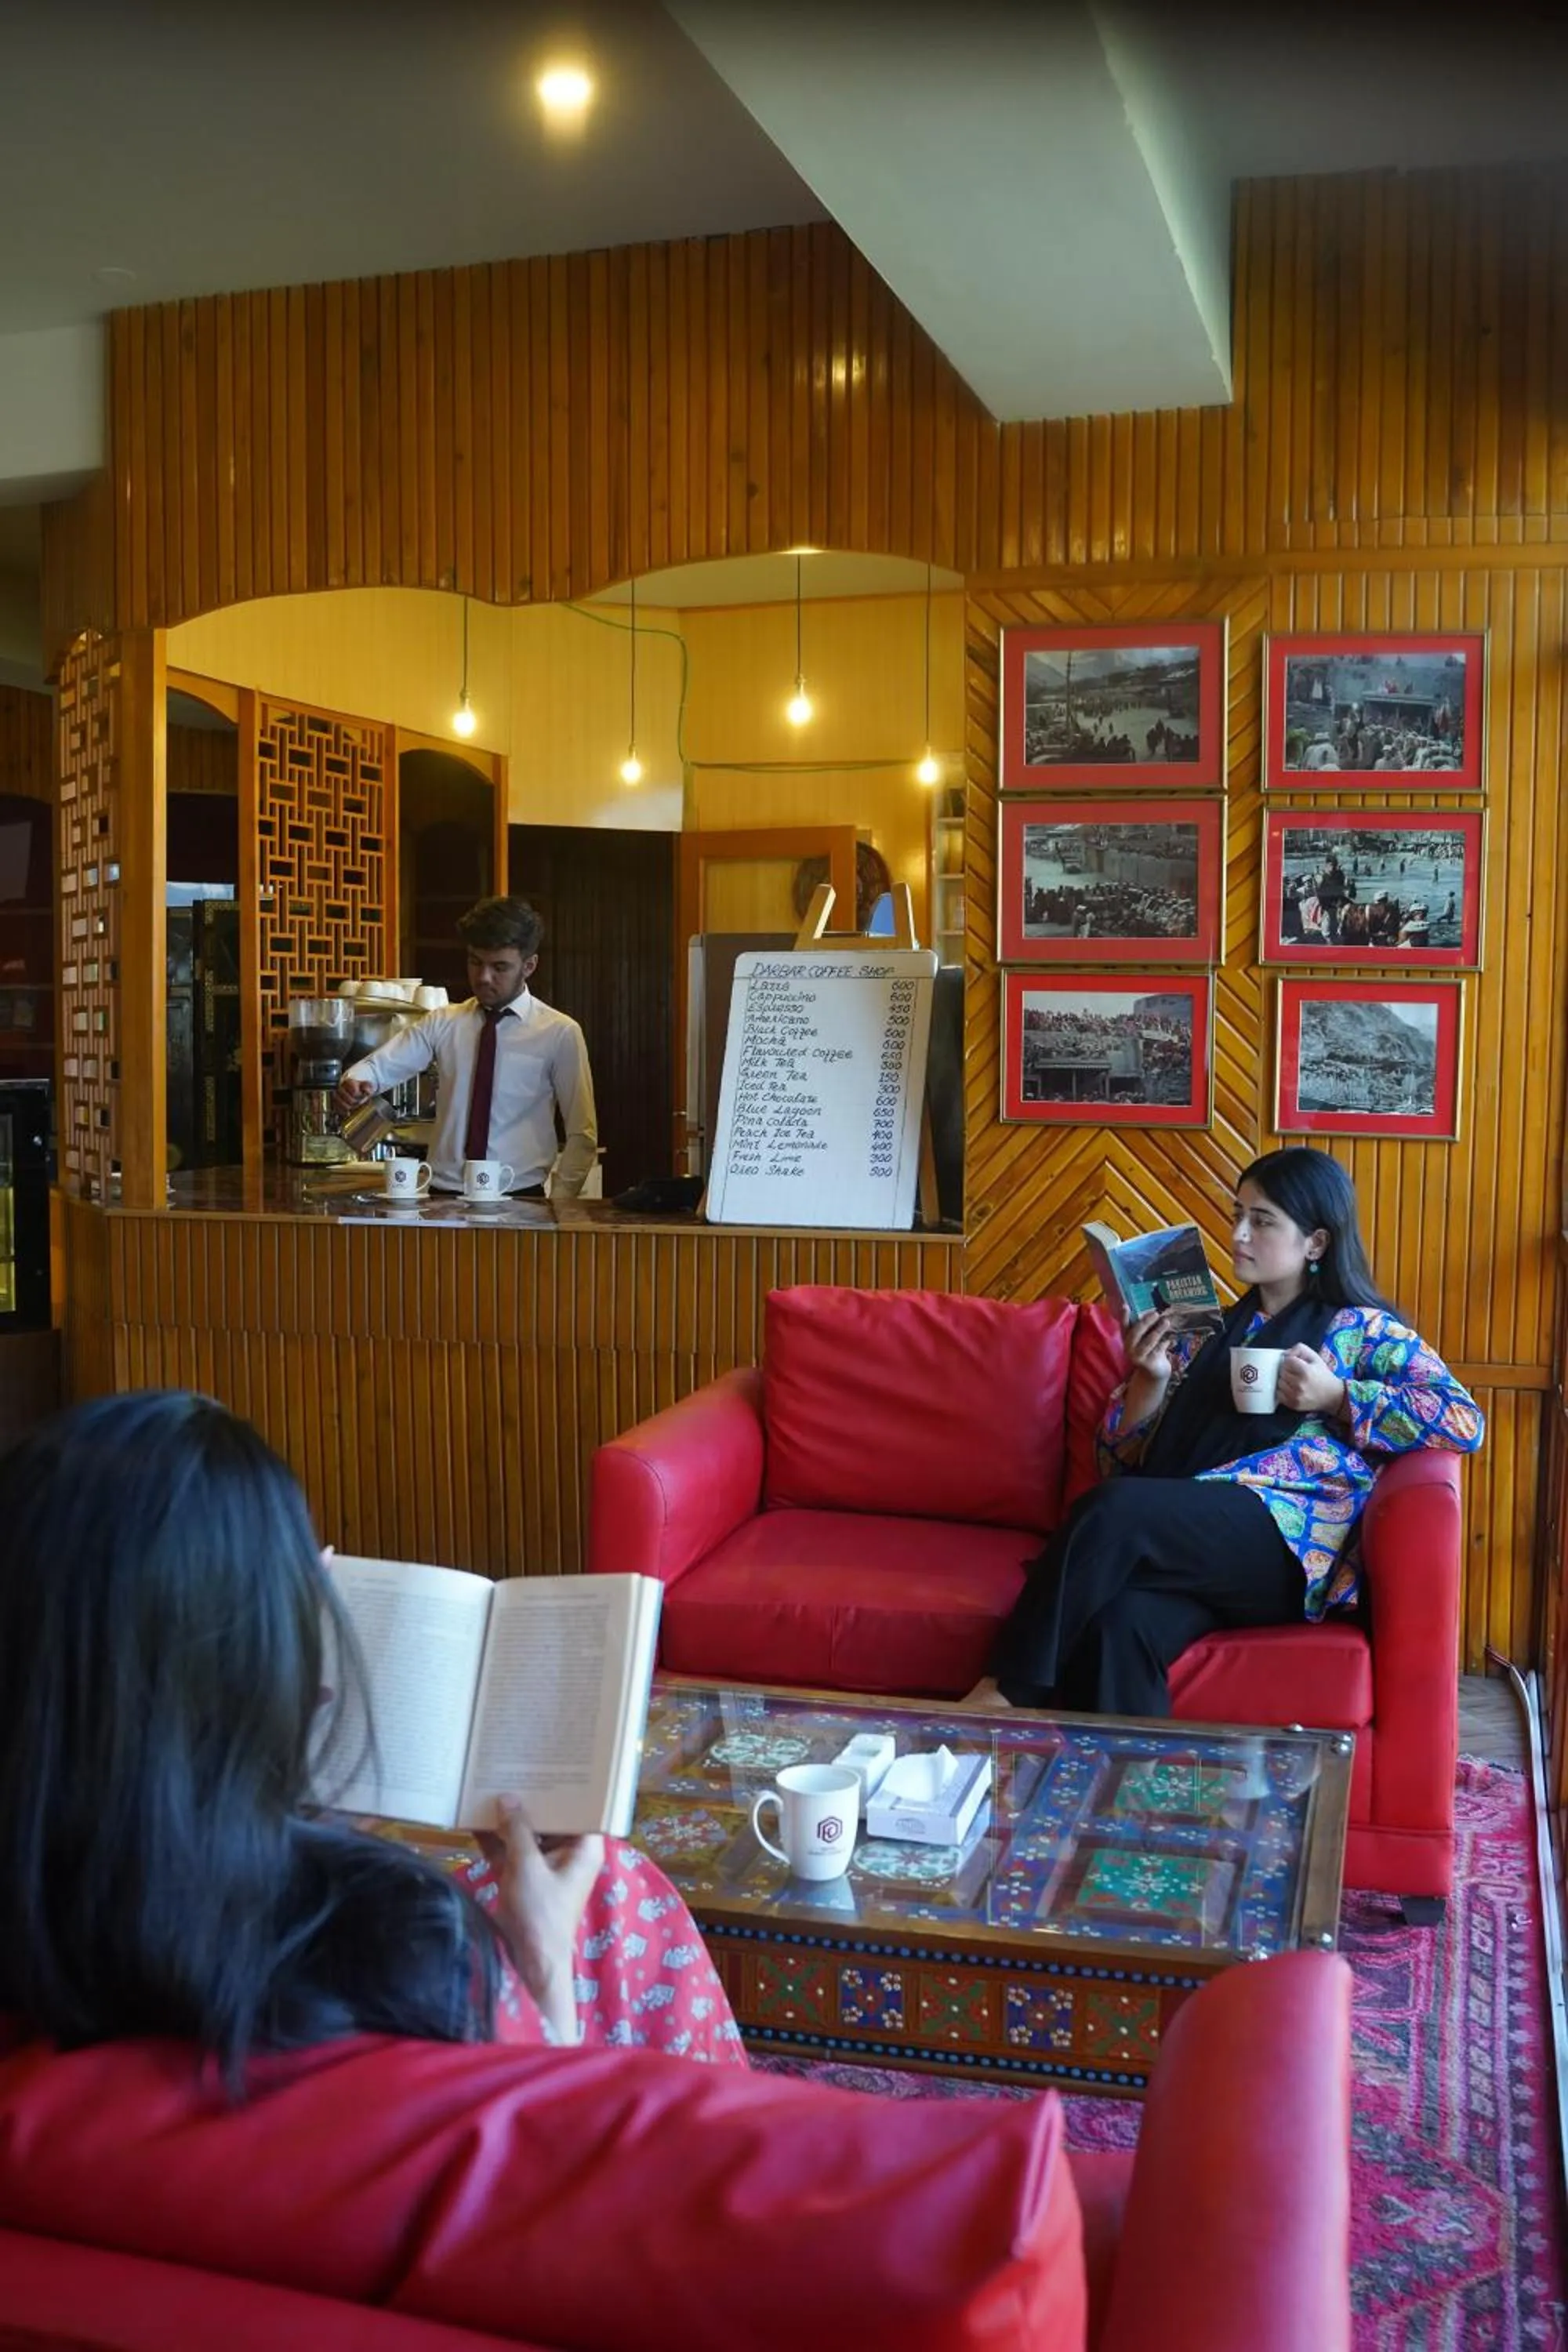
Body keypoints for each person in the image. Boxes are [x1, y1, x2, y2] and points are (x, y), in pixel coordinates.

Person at [0, 1392, 744, 2079]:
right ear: (246, 1669)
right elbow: (526, 2163)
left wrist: (286, 1811)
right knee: (608, 1887)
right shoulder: (404, 1955)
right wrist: (540, 1965)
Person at [973, 1148, 1483, 1718]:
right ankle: (1140, 1801)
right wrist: (1150, 1378)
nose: (1239, 1233)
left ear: (1315, 1243)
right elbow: (1119, 1460)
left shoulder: (1361, 1330)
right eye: (1237, 1214)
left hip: (1285, 1546)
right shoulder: (1204, 1331)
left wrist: (1338, 1397)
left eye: (1262, 1221)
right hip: (1196, 1539)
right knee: (1120, 1626)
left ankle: (1005, 1693)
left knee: (1114, 1510)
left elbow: (1462, 1421)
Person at [337, 896, 597, 1198]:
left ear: (529, 965)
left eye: (499, 967)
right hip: (442, 1198)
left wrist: (560, 1203)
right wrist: (354, 1082)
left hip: (521, 1198)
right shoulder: (443, 1022)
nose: (484, 977)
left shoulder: (559, 1032)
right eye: (475, 962)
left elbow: (582, 1132)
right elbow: (379, 1066)